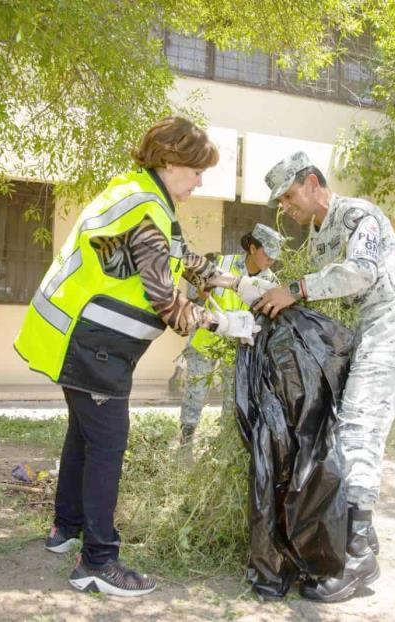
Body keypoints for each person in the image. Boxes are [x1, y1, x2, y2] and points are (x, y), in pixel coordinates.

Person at [13, 117, 261, 597]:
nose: (200, 182)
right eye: (196, 172)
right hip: (92, 346)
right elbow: (166, 300)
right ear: (171, 161)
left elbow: (181, 256)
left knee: (83, 436)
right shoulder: (146, 209)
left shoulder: (138, 194)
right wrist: (226, 323)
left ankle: (66, 529)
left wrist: (238, 283)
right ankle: (99, 562)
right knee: (107, 446)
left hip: (75, 338)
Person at [250, 151, 395, 603]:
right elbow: (303, 281)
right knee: (341, 431)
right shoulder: (316, 236)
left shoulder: (356, 215)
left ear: (312, 182)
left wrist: (295, 289)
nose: (286, 207)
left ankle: (355, 557)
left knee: (357, 433)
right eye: (282, 201)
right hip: (361, 340)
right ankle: (361, 539)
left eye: (289, 196)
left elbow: (359, 273)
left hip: (390, 332)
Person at [179, 224, 284, 443]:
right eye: (267, 253)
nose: (270, 260)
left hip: (236, 350)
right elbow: (193, 292)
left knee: (231, 401)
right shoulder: (220, 263)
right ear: (253, 248)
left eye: (275, 257)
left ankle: (223, 447)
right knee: (195, 395)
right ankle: (185, 444)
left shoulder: (272, 283)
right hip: (205, 342)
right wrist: (200, 291)